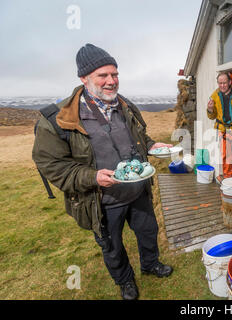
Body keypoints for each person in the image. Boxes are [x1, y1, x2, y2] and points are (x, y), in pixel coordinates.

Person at [32, 43, 173, 300]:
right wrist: (92, 177)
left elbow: (139, 138)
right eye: (103, 75)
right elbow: (52, 166)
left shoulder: (125, 105)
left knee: (148, 232)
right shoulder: (58, 119)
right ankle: (125, 281)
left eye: (115, 74)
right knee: (113, 246)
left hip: (138, 191)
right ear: (84, 78)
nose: (112, 81)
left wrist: (152, 147)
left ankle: (150, 264)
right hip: (102, 200)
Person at [207, 72, 232, 179]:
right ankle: (228, 176)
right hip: (221, 129)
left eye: (224, 83)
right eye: (220, 83)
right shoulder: (214, 96)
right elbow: (212, 116)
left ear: (230, 82)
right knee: (226, 155)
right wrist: (210, 109)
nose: (222, 86)